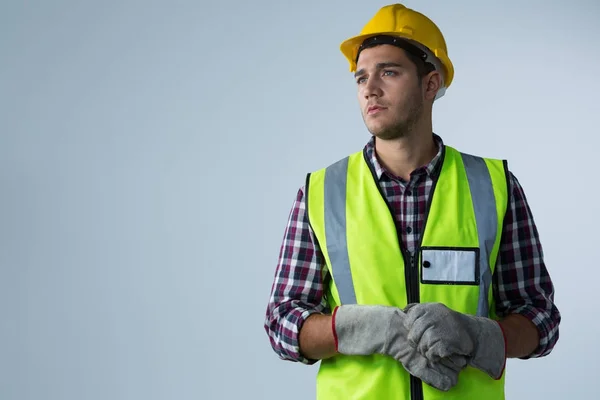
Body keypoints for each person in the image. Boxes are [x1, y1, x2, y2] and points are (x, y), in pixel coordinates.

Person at [263, 3, 561, 399]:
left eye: (389, 72)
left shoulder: (493, 186)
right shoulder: (322, 191)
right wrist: (369, 328)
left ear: (430, 84)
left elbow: (540, 318)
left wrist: (479, 335)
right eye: (361, 77)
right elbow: (283, 324)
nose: (370, 88)